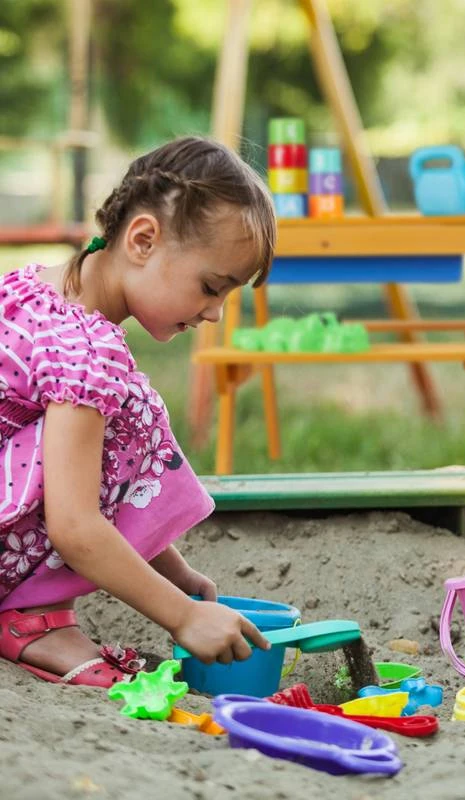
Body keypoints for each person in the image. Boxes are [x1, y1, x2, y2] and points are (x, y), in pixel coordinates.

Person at [0, 137, 276, 686]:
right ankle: (31, 618)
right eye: (210, 287)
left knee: (120, 410)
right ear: (144, 240)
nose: (215, 313)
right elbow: (76, 526)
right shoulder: (86, 353)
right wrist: (184, 615)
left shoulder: (34, 288)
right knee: (132, 417)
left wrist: (173, 575)